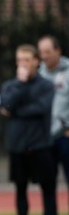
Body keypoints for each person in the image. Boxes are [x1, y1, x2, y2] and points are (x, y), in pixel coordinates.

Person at [0, 44, 57, 215]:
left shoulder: (46, 85)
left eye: (26, 60)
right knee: (20, 191)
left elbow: (41, 108)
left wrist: (14, 111)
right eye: (19, 60)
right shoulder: (11, 85)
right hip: (18, 147)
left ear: (37, 61)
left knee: (48, 191)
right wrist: (21, 84)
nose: (22, 64)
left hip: (41, 146)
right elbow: (6, 104)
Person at [37, 35, 69, 186]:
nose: (44, 56)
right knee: (48, 186)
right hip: (45, 137)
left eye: (48, 52)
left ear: (58, 51)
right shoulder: (38, 74)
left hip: (65, 134)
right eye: (41, 52)